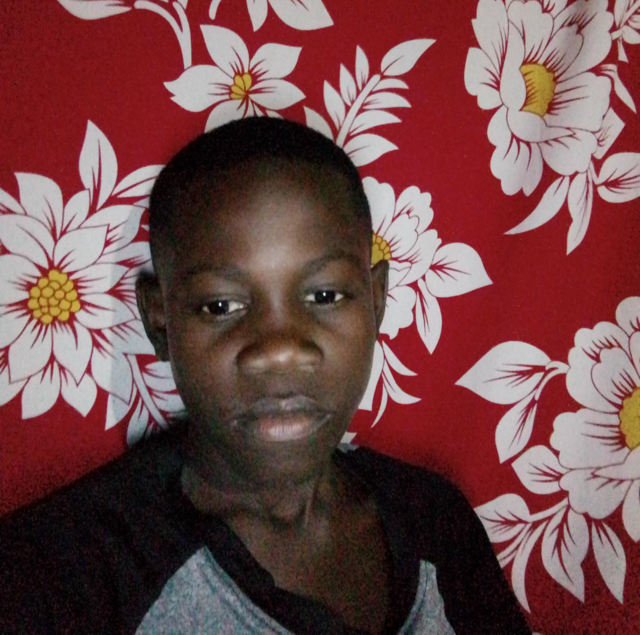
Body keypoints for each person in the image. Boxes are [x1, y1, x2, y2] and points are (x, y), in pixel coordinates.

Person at [0, 117, 531, 634]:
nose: (279, 351)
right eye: (220, 306)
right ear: (159, 322)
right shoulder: (57, 578)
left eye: (325, 295)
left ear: (375, 300)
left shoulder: (435, 519)